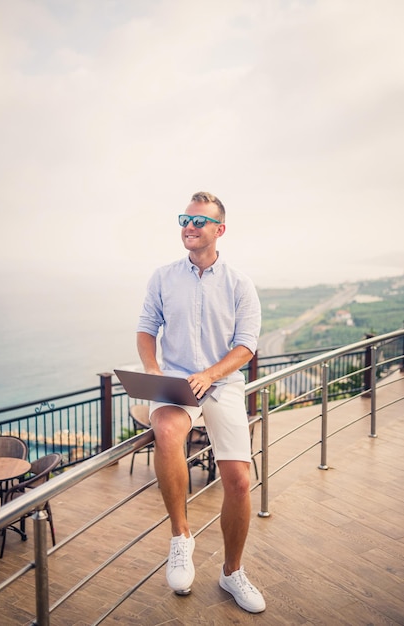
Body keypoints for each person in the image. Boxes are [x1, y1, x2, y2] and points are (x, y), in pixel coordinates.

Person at [136, 191, 265, 614]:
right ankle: (180, 538)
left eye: (198, 221)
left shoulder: (239, 283)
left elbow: (245, 346)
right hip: (175, 383)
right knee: (167, 429)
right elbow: (145, 330)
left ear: (219, 230)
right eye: (184, 220)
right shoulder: (161, 277)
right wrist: (153, 371)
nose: (188, 227)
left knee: (239, 482)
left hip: (222, 384)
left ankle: (232, 572)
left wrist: (210, 374)